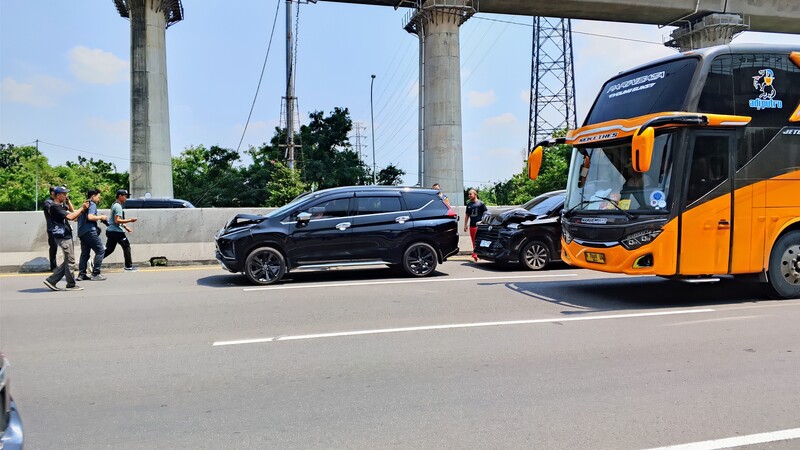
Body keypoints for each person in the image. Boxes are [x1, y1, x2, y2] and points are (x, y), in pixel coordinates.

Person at [43, 186, 90, 291]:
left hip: (66, 234)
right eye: (64, 194)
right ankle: (70, 284)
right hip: (62, 235)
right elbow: (70, 217)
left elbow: (75, 216)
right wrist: (82, 208)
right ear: (58, 195)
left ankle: (52, 280)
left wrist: (69, 202)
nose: (66, 196)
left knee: (68, 260)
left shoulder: (61, 205)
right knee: (70, 260)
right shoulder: (54, 207)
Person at [77, 188, 108, 281]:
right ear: (93, 196)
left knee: (85, 253)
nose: (99, 199)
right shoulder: (92, 204)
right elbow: (90, 217)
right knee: (100, 250)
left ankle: (81, 274)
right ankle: (96, 273)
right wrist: (101, 217)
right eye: (98, 197)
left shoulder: (84, 204)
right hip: (89, 231)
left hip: (82, 232)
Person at [104, 189, 138, 271]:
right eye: (125, 196)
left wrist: (125, 227)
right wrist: (130, 220)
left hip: (111, 231)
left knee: (109, 249)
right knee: (126, 246)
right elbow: (117, 220)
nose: (126, 198)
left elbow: (115, 220)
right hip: (116, 232)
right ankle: (128, 266)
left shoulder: (114, 204)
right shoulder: (118, 206)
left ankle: (95, 261)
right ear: (120, 196)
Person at [463, 189, 487, 262]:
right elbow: (467, 215)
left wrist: (484, 222)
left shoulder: (481, 204)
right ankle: (475, 254)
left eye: (471, 194)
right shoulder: (469, 204)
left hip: (479, 226)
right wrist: (465, 225)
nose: (469, 195)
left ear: (475, 194)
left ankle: (479, 253)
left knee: (479, 240)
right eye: (469, 194)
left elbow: (486, 214)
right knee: (473, 241)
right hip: (472, 226)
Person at [43, 186, 58, 271]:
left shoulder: (59, 201)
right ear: (52, 193)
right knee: (53, 247)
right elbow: (52, 212)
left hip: (61, 227)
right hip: (52, 228)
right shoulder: (47, 202)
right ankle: (53, 266)